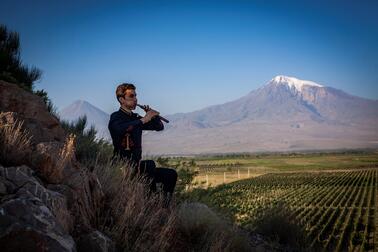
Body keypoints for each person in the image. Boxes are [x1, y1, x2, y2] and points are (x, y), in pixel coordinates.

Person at [108, 83, 177, 200]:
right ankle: (150, 202)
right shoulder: (116, 117)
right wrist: (144, 119)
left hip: (137, 166)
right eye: (131, 96)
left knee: (171, 175)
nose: (135, 99)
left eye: (136, 96)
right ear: (121, 99)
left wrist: (152, 115)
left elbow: (159, 127)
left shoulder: (135, 118)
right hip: (122, 167)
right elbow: (119, 129)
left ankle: (164, 207)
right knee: (149, 165)